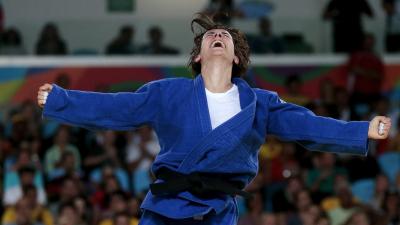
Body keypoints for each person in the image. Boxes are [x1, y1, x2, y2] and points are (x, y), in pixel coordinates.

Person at [37, 14, 391, 225]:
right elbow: (117, 109)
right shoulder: (168, 93)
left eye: (225, 36)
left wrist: (361, 130)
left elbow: (308, 126)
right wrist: (61, 100)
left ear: (236, 58)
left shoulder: (259, 103)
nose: (218, 36)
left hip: (218, 211)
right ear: (198, 55)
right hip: (165, 208)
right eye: (210, 36)